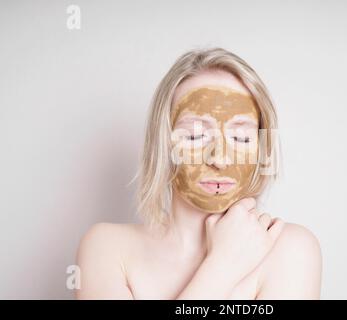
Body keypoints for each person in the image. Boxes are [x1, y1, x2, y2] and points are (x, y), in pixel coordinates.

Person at [75, 47, 322, 299]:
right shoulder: (106, 249)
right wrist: (223, 266)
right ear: (163, 143)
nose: (220, 158)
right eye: (194, 136)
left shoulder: (291, 250)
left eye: (241, 137)